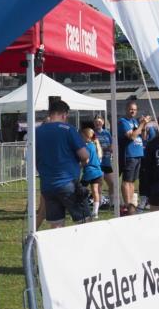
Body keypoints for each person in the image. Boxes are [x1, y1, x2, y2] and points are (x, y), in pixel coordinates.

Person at [34, 98, 90, 228]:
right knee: (84, 222)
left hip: (47, 185)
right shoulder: (68, 129)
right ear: (65, 114)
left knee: (56, 225)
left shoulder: (37, 131)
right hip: (68, 183)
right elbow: (84, 155)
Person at [117, 100, 150, 215]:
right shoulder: (123, 121)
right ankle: (127, 205)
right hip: (129, 154)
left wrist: (144, 126)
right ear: (126, 109)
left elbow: (144, 137)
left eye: (135, 110)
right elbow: (131, 136)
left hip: (138, 154)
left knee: (132, 181)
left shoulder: (135, 122)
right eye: (131, 109)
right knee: (127, 180)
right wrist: (141, 125)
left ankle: (130, 204)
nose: (133, 111)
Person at [80, 127, 104, 219]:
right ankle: (95, 212)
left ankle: (82, 210)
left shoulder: (85, 147)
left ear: (87, 137)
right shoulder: (94, 145)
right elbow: (100, 157)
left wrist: (79, 165)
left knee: (80, 191)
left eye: (82, 136)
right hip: (98, 172)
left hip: (89, 172)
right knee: (95, 191)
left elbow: (86, 161)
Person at [93, 116, 114, 206]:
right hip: (98, 162)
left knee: (112, 183)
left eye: (100, 122)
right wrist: (104, 149)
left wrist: (109, 148)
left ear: (103, 123)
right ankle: (99, 202)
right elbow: (93, 148)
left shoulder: (107, 133)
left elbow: (112, 146)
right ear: (94, 123)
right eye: (96, 122)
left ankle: (112, 203)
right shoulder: (93, 133)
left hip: (107, 162)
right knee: (99, 183)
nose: (98, 123)